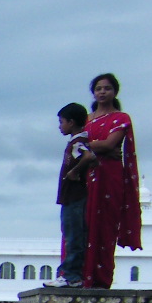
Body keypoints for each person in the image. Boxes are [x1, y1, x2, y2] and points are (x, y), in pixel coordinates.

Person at [79, 73, 141, 288]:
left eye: (107, 88)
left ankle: (101, 280)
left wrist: (89, 144)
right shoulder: (85, 119)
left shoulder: (121, 118)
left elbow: (107, 144)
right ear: (93, 92)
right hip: (86, 177)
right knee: (83, 225)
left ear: (115, 91)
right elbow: (78, 146)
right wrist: (100, 145)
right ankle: (80, 276)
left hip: (110, 177)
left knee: (105, 227)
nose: (102, 92)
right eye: (98, 88)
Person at [53, 102, 94, 287]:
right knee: (73, 234)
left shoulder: (78, 142)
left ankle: (71, 275)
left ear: (71, 122)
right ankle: (72, 274)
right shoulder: (76, 142)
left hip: (74, 196)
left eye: (62, 122)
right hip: (72, 196)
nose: (60, 126)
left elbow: (89, 157)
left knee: (73, 235)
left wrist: (74, 171)